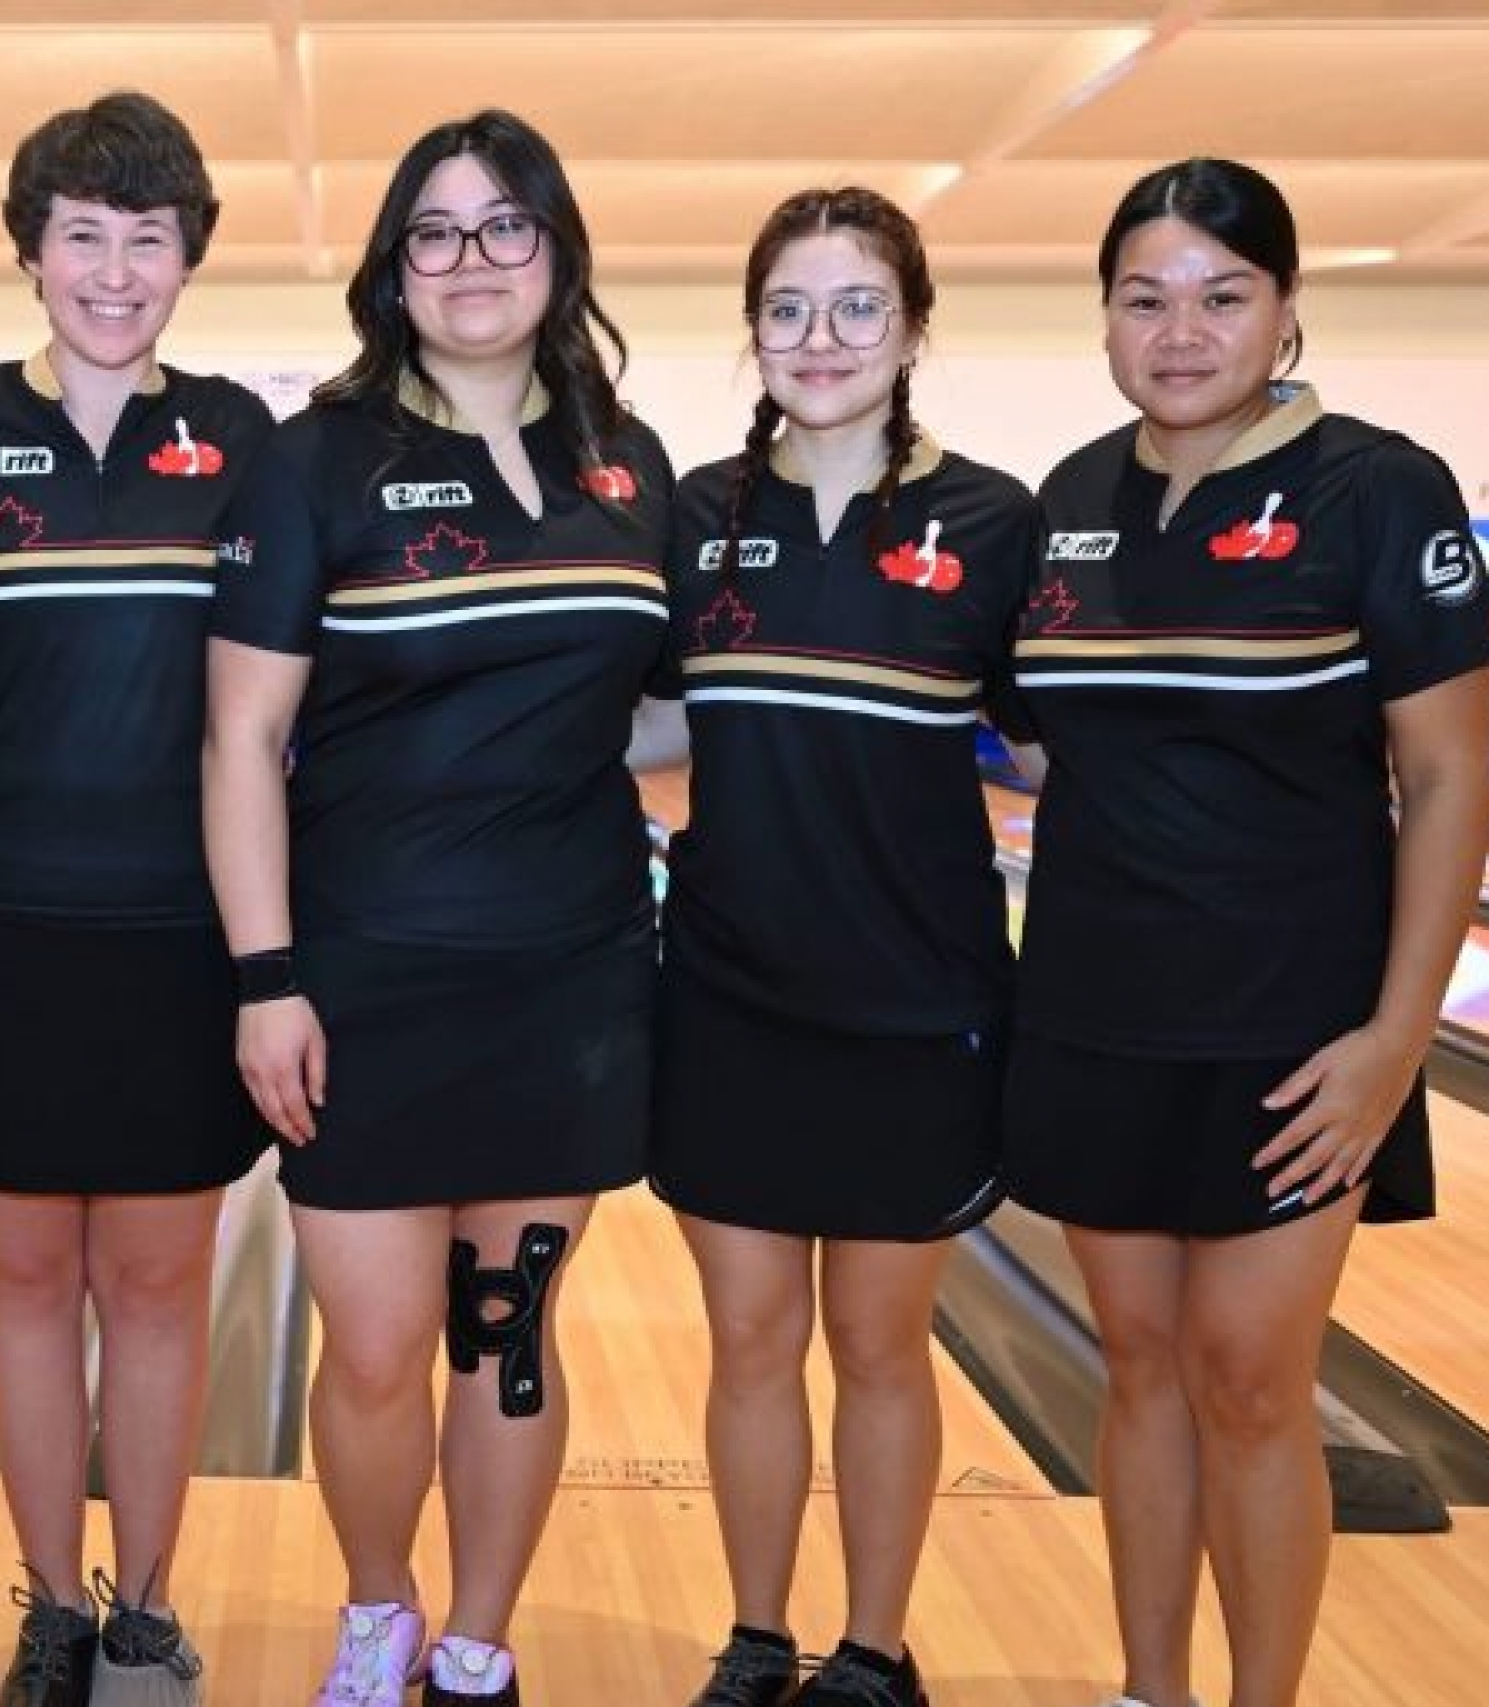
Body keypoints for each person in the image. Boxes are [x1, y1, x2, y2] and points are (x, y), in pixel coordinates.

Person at [1003, 158, 1489, 1707]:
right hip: (1091, 1009)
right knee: (1137, 1370)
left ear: (1284, 314)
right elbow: (1025, 746)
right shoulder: (1070, 503)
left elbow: (1445, 776)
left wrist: (1393, 1046)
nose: (1182, 330)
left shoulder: (1378, 488)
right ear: (1104, 320)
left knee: (1250, 1380)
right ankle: (1149, 1690)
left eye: (1222, 297)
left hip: (1296, 1031)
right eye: (1145, 299)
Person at [205, 109, 672, 1707]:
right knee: (382, 1347)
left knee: (509, 1337)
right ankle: (378, 1610)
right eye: (436, 231)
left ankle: (478, 1639)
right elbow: (242, 738)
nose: (472, 261)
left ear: (557, 247)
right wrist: (268, 977)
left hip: (572, 978)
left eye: (504, 226)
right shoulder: (317, 459)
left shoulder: (629, 462)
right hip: (369, 978)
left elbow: (668, 707)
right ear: (395, 267)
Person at [0, 92, 275, 1707]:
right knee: (20, 1290)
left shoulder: (241, 440)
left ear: (188, 258)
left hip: (177, 937)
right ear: (31, 251)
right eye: (81, 235)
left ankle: (147, 1611)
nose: (112, 271)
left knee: (157, 1290)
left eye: (145, 239)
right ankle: (51, 1608)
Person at [647, 187, 1037, 1707]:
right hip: (731, 996)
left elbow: (1058, 744)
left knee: (882, 1348)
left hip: (919, 1005)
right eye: (791, 309)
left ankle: (874, 1652)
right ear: (753, 329)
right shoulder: (694, 516)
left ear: (914, 327)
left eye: (859, 306)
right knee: (749, 1343)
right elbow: (655, 715)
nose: (822, 339)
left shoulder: (994, 523)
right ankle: (758, 1639)